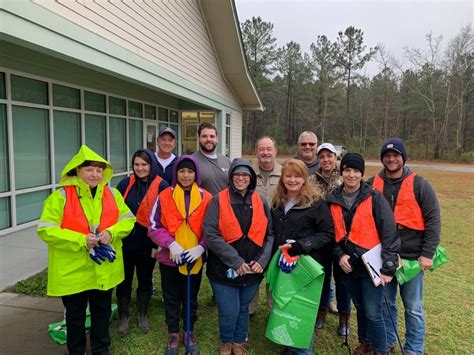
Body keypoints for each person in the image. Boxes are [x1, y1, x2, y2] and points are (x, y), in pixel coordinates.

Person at [37, 145, 135, 355]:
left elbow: (128, 220)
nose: (95, 174)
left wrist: (111, 233)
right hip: (74, 271)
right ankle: (77, 350)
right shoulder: (60, 196)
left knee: (102, 311)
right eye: (89, 169)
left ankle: (101, 349)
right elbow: (46, 230)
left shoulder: (112, 194)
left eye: (99, 170)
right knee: (75, 315)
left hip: (103, 269)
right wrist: (81, 239)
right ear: (77, 171)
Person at [369, 138, 441, 355]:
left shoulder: (420, 184)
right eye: (387, 156)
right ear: (382, 158)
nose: (391, 159)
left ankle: (413, 349)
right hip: (383, 257)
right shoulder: (371, 183)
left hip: (412, 258)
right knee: (386, 305)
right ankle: (389, 340)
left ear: (403, 158)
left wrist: (427, 254)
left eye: (396, 155)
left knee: (413, 308)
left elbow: (433, 221)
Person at [327, 153, 400, 355]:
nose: (351, 175)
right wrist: (339, 255)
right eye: (347, 170)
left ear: (361, 174)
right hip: (349, 266)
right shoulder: (332, 199)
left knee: (374, 312)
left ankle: (380, 350)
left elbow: (389, 233)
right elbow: (330, 235)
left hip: (372, 265)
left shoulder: (375, 197)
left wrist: (388, 267)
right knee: (359, 307)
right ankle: (365, 343)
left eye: (356, 171)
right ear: (342, 172)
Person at [203, 159, 274, 355]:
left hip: (253, 269)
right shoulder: (218, 200)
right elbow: (210, 234)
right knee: (229, 309)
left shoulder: (261, 201)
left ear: (251, 178)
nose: (241, 178)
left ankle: (239, 340)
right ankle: (226, 341)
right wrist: (235, 261)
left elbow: (270, 234)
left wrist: (262, 261)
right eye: (237, 174)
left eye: (245, 175)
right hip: (223, 268)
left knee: (243, 308)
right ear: (231, 176)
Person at [148, 155, 212, 355]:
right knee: (171, 297)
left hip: (194, 258)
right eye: (182, 171)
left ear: (196, 174)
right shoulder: (165, 195)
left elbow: (213, 228)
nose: (186, 175)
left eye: (190, 171)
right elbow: (153, 225)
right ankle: (173, 332)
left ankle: (189, 331)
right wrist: (171, 244)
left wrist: (202, 247)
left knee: (191, 298)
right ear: (176, 173)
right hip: (170, 259)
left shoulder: (206, 197)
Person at [271, 159, 334, 355]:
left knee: (302, 311)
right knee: (286, 305)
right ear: (282, 178)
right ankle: (290, 346)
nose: (292, 180)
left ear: (305, 178)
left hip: (306, 266)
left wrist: (301, 246)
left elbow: (327, 233)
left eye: (297, 176)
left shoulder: (316, 203)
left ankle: (302, 350)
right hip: (283, 265)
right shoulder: (277, 202)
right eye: (288, 175)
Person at [115, 149, 169, 336]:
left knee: (145, 278)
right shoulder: (125, 184)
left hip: (148, 243)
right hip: (125, 243)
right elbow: (115, 211)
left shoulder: (162, 185)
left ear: (151, 165)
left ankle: (142, 314)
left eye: (144, 164)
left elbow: (165, 217)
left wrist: (157, 246)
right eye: (137, 164)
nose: (140, 168)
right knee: (124, 279)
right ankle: (123, 317)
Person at [309, 143, 351, 336]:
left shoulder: (345, 179)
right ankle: (321, 313)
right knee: (323, 278)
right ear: (319, 159)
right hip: (321, 239)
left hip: (343, 240)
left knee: (343, 281)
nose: (326, 160)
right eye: (322, 156)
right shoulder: (311, 181)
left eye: (330, 156)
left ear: (336, 158)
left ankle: (344, 319)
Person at [249, 135, 282, 314]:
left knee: (274, 274)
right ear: (256, 152)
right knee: (253, 272)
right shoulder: (247, 173)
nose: (265, 152)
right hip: (253, 233)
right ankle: (249, 308)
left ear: (275, 151)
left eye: (269, 149)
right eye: (261, 149)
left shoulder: (285, 173)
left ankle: (274, 310)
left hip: (277, 233)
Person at [193, 122, 231, 196]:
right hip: (204, 206)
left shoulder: (227, 161)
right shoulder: (192, 161)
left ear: (217, 139)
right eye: (204, 136)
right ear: (199, 138)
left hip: (225, 206)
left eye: (212, 136)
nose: (208, 139)